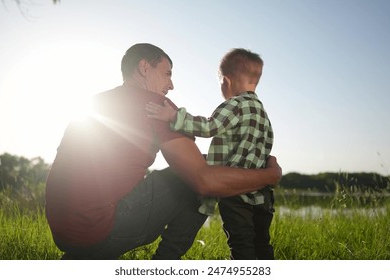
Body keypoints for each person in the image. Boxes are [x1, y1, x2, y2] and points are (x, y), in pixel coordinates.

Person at [45, 43, 282, 260]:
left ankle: (84, 259)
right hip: (104, 228)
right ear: (144, 68)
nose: (171, 85)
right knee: (200, 167)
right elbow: (205, 181)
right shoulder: (155, 106)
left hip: (66, 235)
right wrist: (269, 176)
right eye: (167, 74)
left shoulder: (94, 103)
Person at [146, 48, 276, 259]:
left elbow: (209, 127)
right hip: (262, 196)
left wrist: (174, 117)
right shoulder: (262, 114)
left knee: (242, 245)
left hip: (236, 194)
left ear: (226, 81)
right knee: (262, 243)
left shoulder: (234, 105)